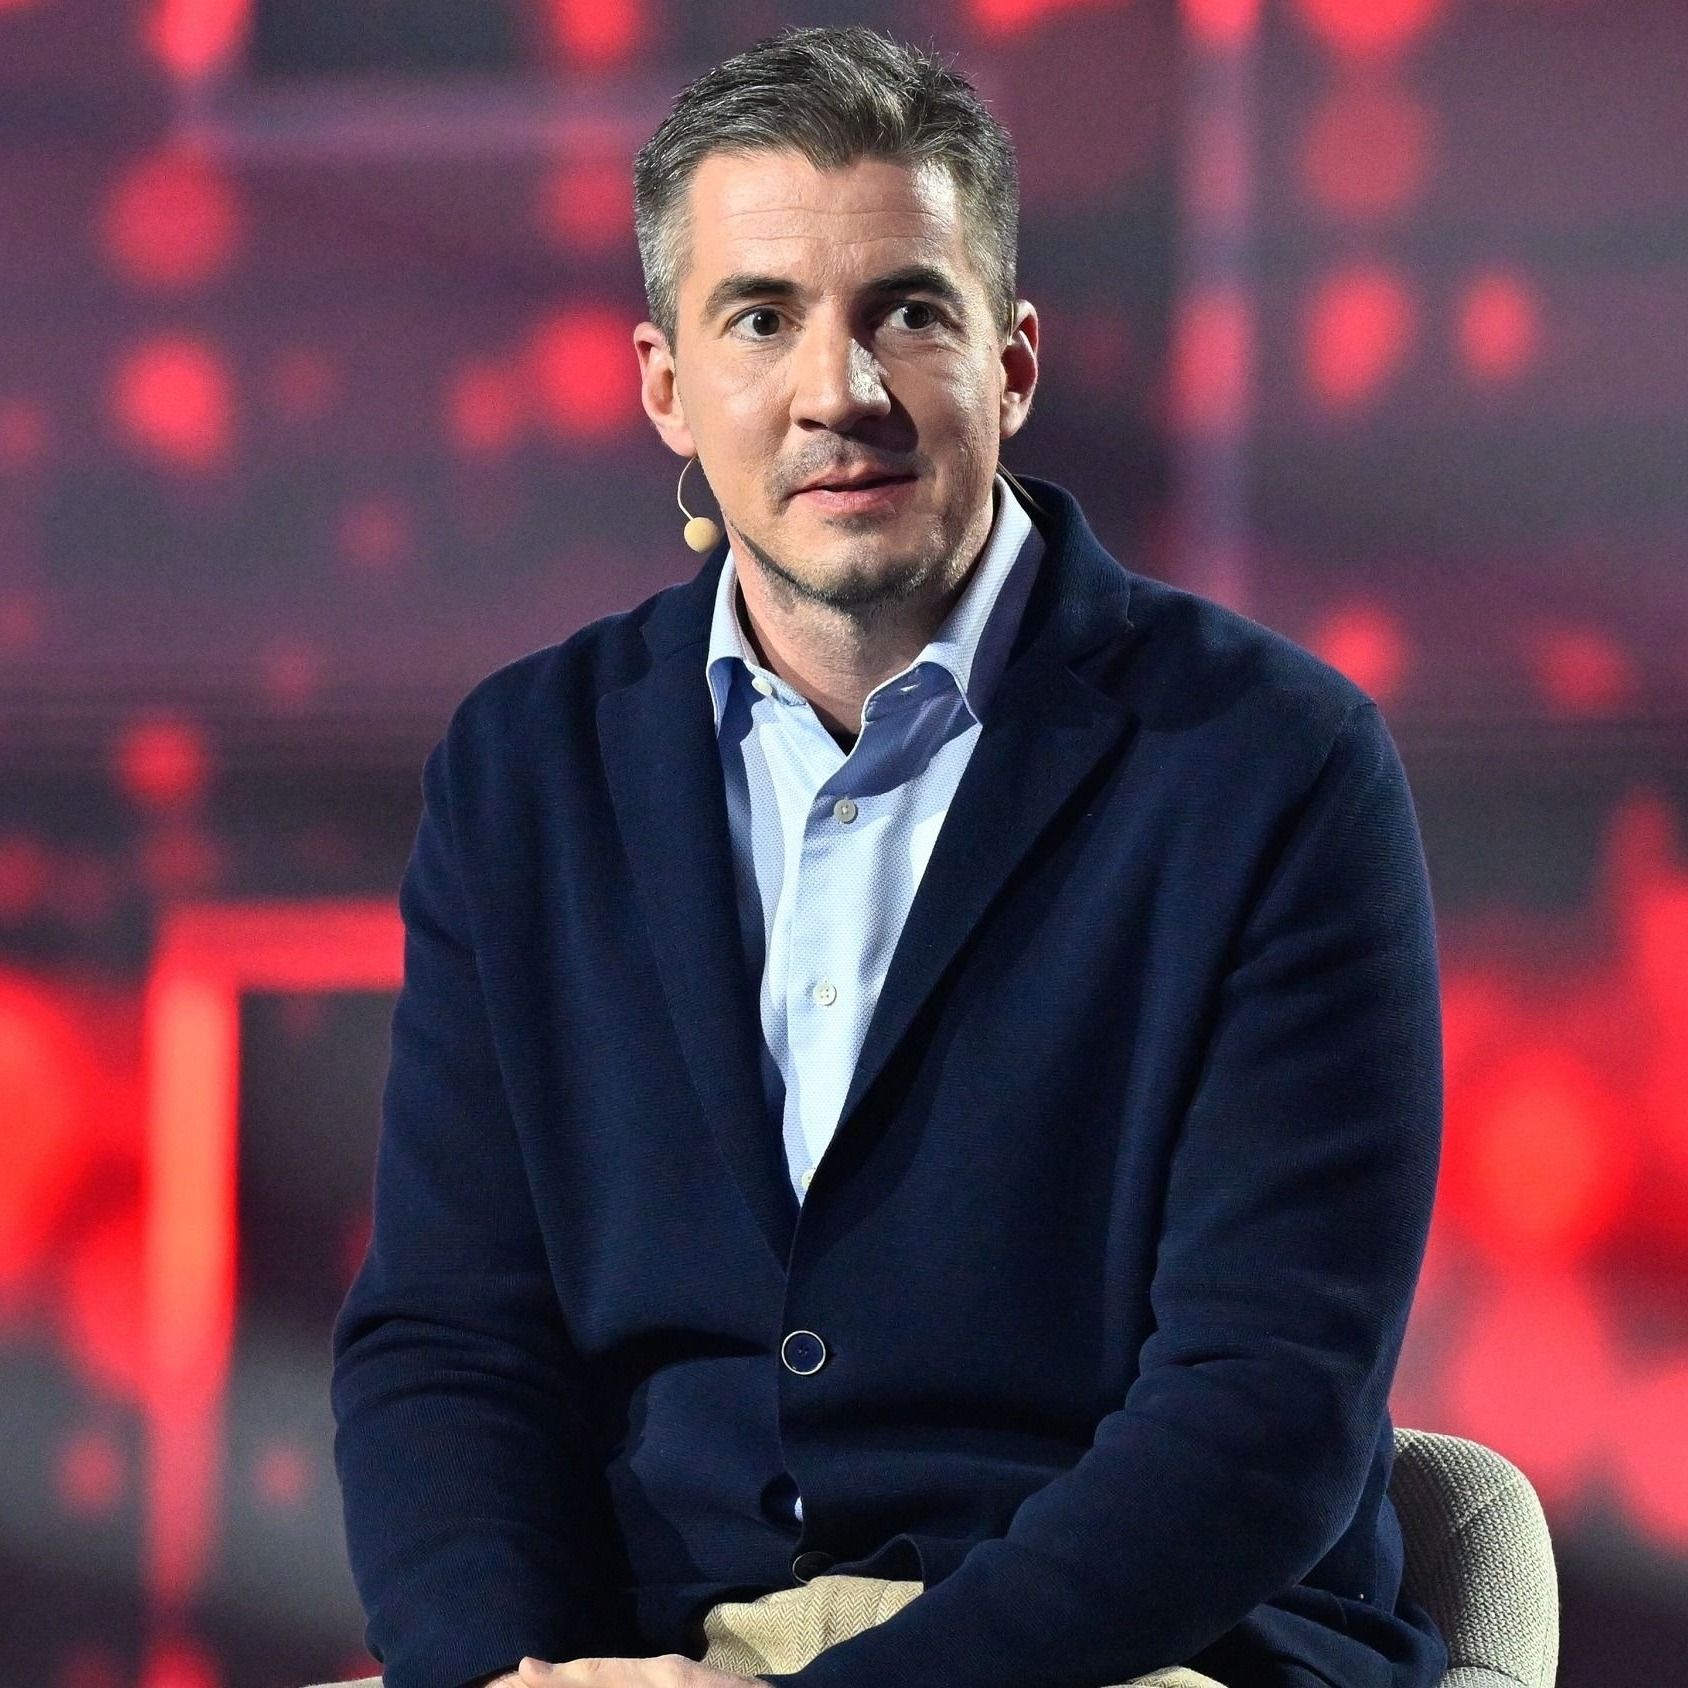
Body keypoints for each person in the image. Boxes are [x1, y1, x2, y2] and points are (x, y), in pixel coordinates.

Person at [328, 25, 1448, 1688]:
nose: (837, 392)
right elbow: (448, 1342)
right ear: (664, 384)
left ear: (1014, 363)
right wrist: (510, 1678)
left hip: (1127, 1652)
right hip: (660, 1653)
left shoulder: (1274, 767)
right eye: (761, 318)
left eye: (908, 313)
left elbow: (1264, 1410)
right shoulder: (522, 773)